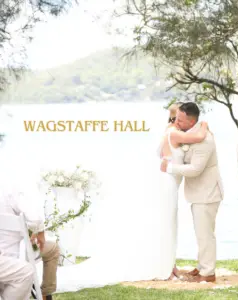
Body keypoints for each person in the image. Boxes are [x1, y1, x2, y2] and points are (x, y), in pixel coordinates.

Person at [53, 103, 209, 293]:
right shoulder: (174, 132)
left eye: (182, 119)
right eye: (179, 118)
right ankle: (164, 268)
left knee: (169, 224)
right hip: (167, 183)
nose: (180, 122)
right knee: (166, 224)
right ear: (176, 118)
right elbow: (199, 136)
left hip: (170, 182)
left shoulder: (170, 131)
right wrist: (204, 125)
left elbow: (161, 153)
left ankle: (169, 265)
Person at [161, 102, 224, 283]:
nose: (176, 122)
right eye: (176, 118)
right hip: (200, 191)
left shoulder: (205, 140)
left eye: (180, 120)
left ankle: (208, 273)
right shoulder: (190, 133)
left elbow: (196, 169)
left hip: (208, 192)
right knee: (201, 232)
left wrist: (170, 168)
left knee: (205, 234)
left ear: (192, 121)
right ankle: (203, 266)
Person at [0, 182, 60, 300]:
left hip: (6, 255)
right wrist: (40, 231)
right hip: (23, 251)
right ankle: (45, 294)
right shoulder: (9, 190)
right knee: (53, 248)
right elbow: (35, 219)